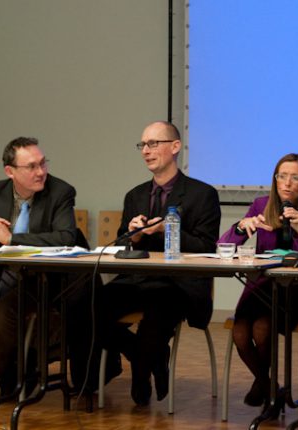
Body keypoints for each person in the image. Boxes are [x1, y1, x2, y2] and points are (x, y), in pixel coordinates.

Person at [96, 121, 220, 406]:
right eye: (143, 145)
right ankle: (147, 356)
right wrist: (134, 236)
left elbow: (206, 248)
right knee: (87, 305)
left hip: (178, 285)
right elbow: (120, 246)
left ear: (175, 147)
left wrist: (167, 230)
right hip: (136, 281)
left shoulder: (203, 195)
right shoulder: (135, 195)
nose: (146, 151)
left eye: (154, 144)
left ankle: (142, 376)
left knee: (157, 314)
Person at [217, 153, 298, 409]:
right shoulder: (260, 206)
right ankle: (270, 386)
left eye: (294, 177)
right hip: (262, 288)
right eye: (282, 176)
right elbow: (223, 246)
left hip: (297, 292)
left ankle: (267, 390)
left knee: (261, 328)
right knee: (240, 333)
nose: (287, 183)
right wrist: (240, 228)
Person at [0, 137, 80, 395]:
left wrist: (12, 239)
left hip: (42, 280)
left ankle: (3, 376)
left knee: (2, 314)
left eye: (43, 163)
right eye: (31, 167)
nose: (41, 172)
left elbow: (65, 237)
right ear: (10, 172)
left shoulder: (60, 192)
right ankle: (5, 369)